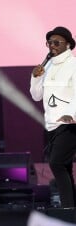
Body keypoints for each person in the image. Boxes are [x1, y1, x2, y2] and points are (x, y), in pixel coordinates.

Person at [30, 26, 76, 208]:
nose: (52, 46)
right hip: (51, 124)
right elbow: (36, 95)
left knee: (56, 163)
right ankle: (71, 210)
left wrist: (71, 114)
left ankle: (68, 209)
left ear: (68, 45)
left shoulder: (73, 65)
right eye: (50, 42)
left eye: (57, 42)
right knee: (64, 167)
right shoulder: (47, 66)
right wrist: (35, 77)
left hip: (70, 123)